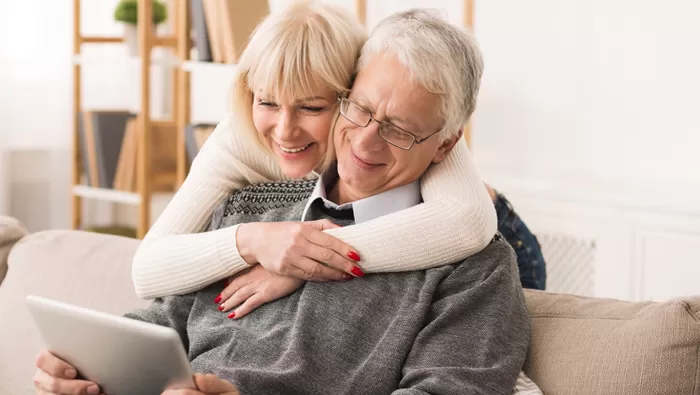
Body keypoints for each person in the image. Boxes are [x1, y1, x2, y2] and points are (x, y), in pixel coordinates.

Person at [32, 8, 533, 395]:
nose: (364, 143)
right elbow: (171, 320)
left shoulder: (476, 266)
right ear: (346, 95)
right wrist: (88, 364)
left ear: (447, 145)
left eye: (400, 130)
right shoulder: (251, 203)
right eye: (359, 110)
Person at [130, 0, 498, 303]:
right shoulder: (238, 139)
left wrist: (302, 258)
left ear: (349, 88)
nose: (285, 131)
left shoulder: (413, 125)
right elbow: (147, 270)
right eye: (267, 101)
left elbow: (468, 222)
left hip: (497, 231)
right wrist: (255, 241)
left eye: (311, 108)